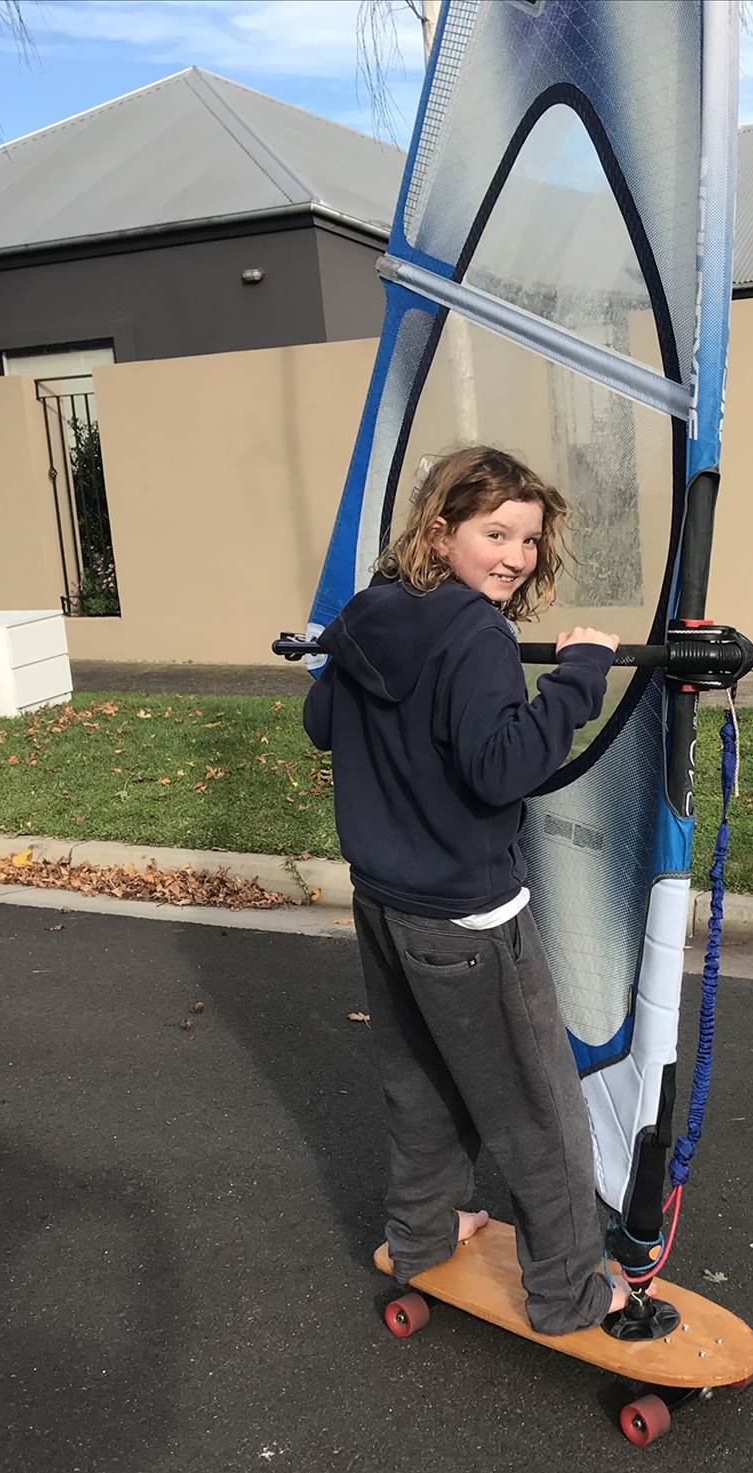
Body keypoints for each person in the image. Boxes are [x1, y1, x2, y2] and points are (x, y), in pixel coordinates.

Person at [303, 444, 632, 1337]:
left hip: (383, 903)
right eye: (496, 533)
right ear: (440, 529)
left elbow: (321, 720)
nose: (516, 556)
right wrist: (579, 676)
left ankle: (422, 1232)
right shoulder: (478, 634)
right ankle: (569, 1292)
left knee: (420, 1082)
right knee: (537, 1111)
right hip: (469, 916)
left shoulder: (368, 614)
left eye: (529, 539)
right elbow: (503, 768)